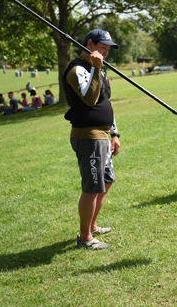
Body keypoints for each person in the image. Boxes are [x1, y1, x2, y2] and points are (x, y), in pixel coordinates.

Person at [63, 29, 121, 250]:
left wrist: (114, 133)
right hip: (89, 137)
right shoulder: (76, 69)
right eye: (102, 48)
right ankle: (85, 238)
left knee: (106, 181)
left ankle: (93, 226)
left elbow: (105, 102)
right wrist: (97, 68)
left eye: (107, 50)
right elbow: (89, 99)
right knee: (92, 187)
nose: (105, 54)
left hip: (104, 136)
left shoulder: (99, 70)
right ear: (89, 44)